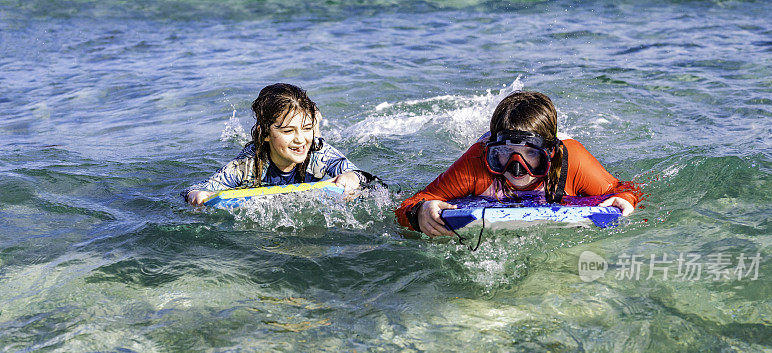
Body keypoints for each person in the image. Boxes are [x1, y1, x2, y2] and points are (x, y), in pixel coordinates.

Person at [395, 91, 641, 236]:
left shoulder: (571, 160)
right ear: (491, 150)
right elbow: (407, 205)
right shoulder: (476, 162)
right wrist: (420, 213)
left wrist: (627, 199)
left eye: (530, 154)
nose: (516, 167)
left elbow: (626, 190)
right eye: (504, 152)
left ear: (549, 154)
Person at [185, 83, 370, 205]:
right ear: (265, 133)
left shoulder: (317, 153)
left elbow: (365, 177)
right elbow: (196, 189)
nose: (299, 139)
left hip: (314, 146)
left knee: (314, 140)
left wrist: (352, 178)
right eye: (288, 131)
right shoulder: (247, 166)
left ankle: (313, 121)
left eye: (305, 128)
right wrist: (196, 196)